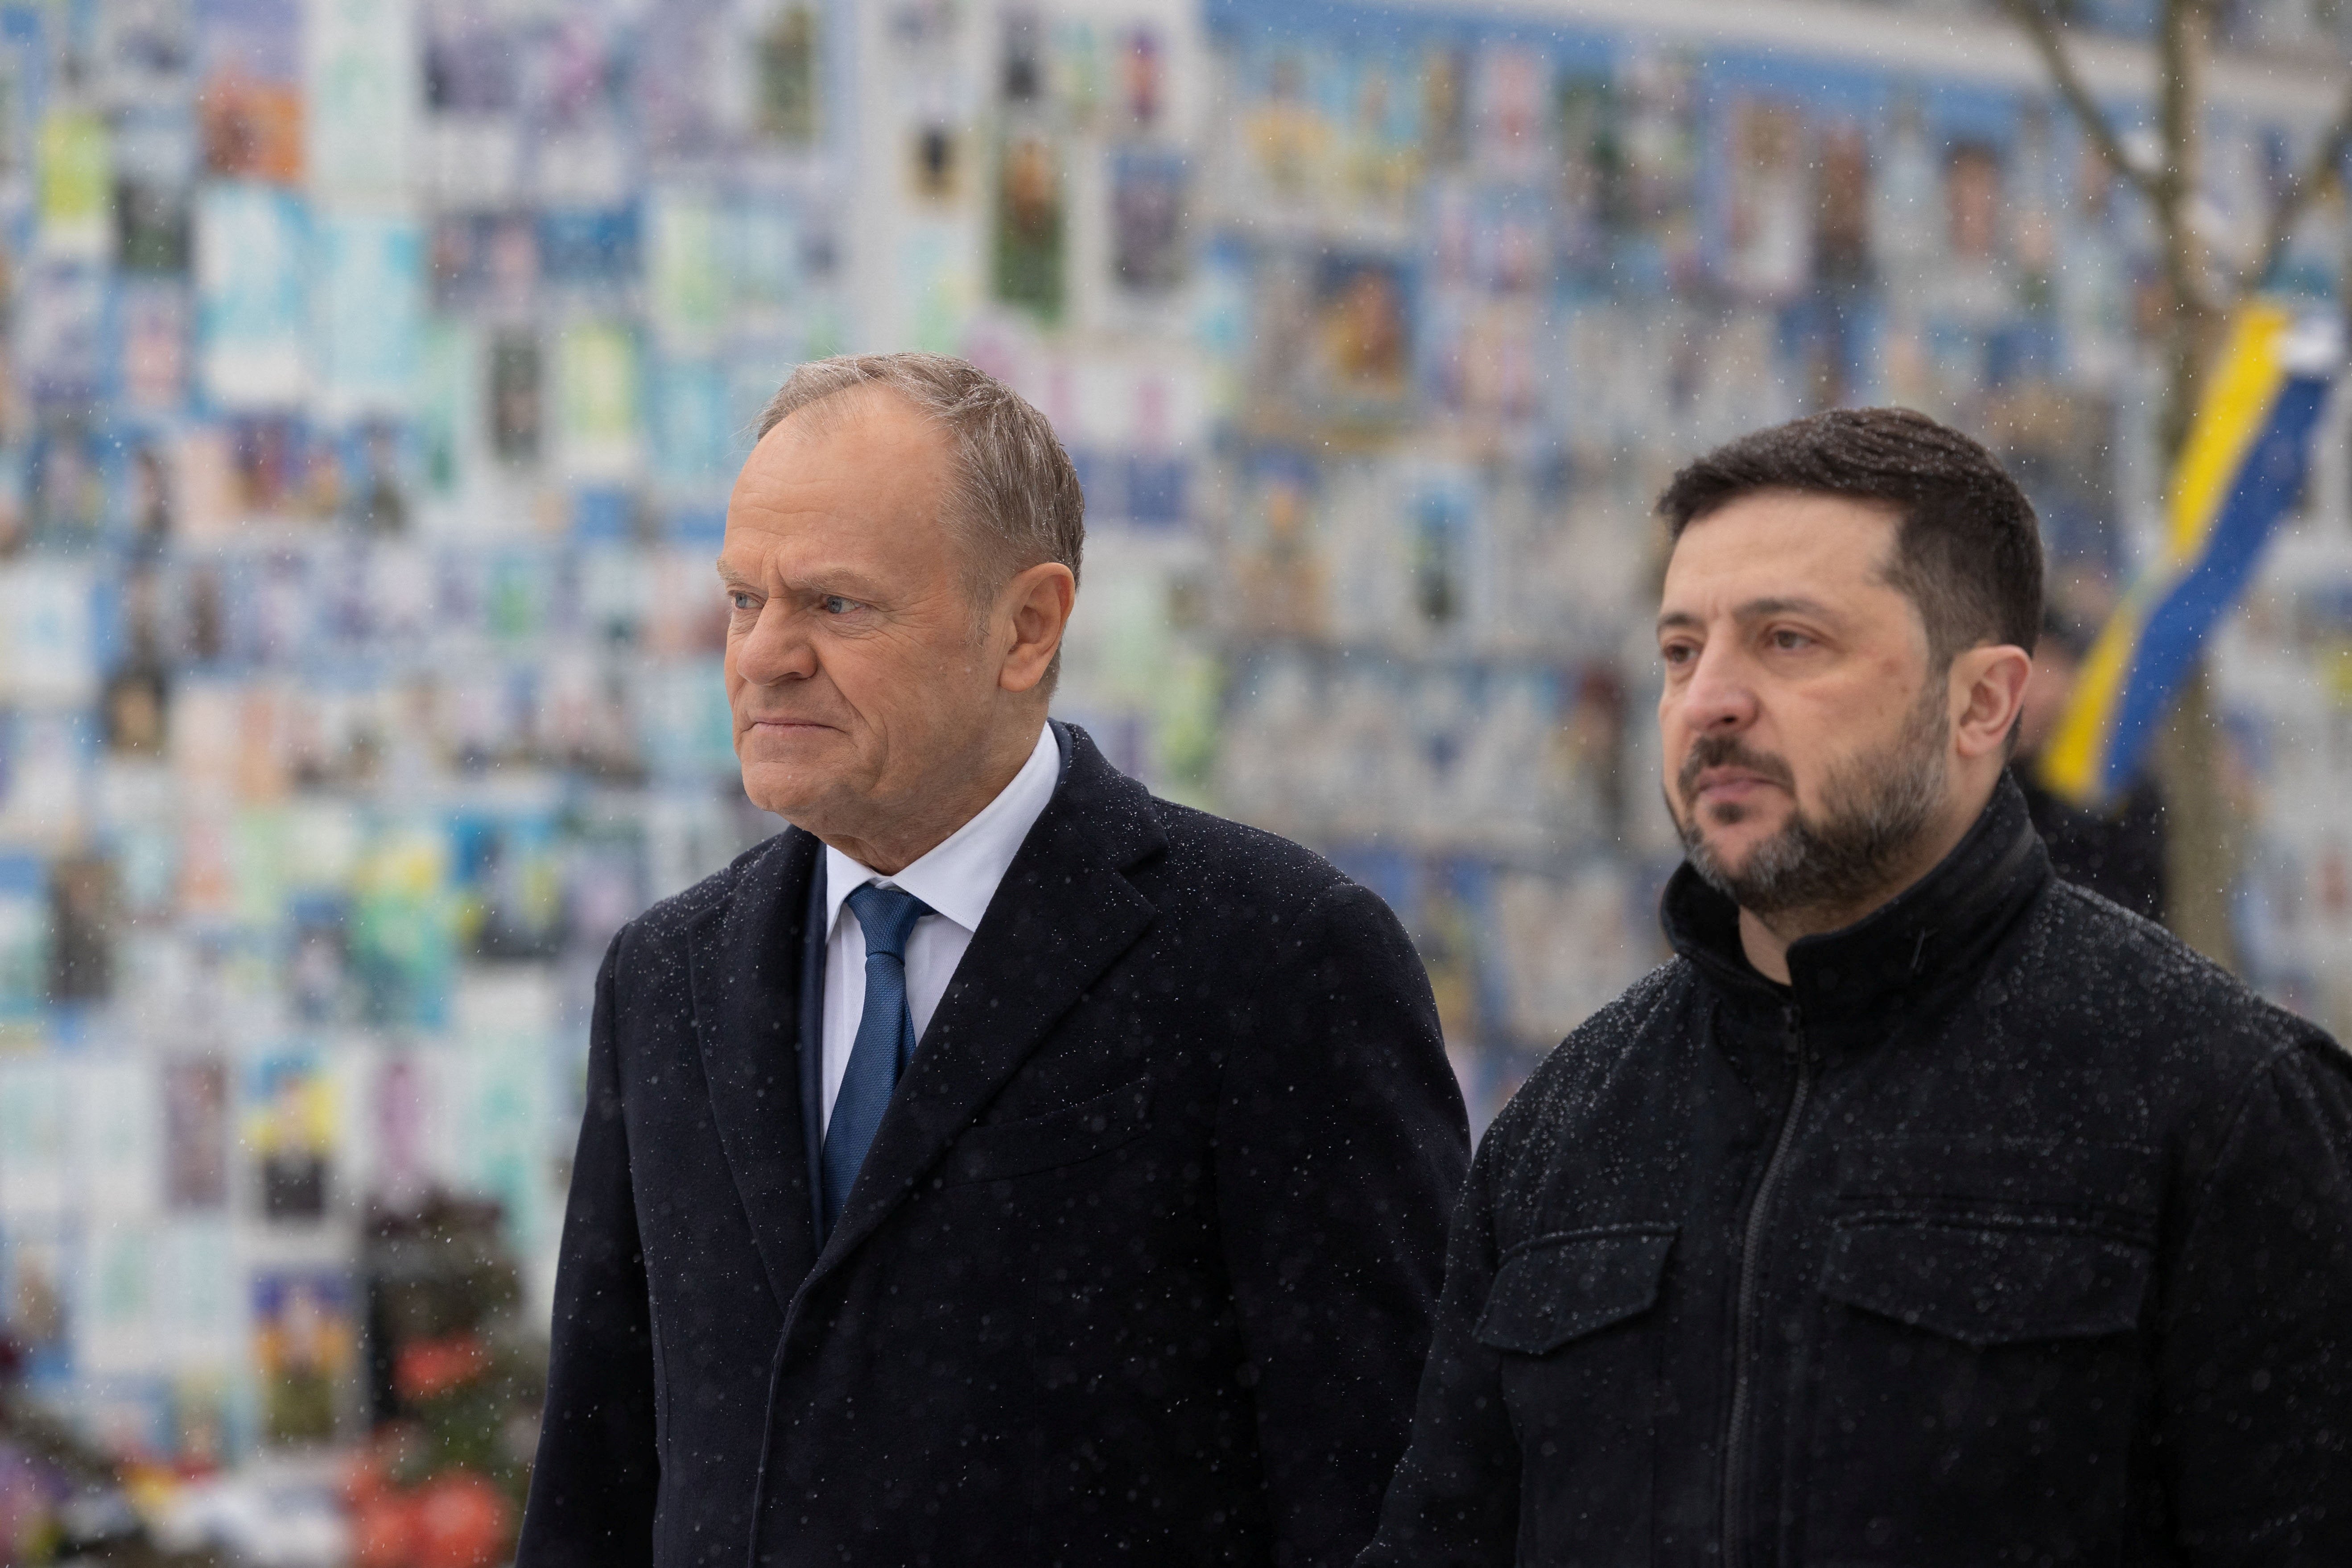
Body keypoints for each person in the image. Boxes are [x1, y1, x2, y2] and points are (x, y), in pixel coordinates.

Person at [519, 353, 1469, 1567]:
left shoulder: (1277, 959)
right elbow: (597, 1483)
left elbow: (1391, 1491)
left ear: (1026, 627)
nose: (764, 656)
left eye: (835, 605)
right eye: (745, 600)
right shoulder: (667, 978)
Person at [1360, 408, 2352, 1567]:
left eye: (1788, 641)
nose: (1711, 700)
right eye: (1682, 650)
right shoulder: (1564, 1131)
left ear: (1983, 702)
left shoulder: (2221, 1104)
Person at [2013, 607, 2168, 923]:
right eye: (2024, 669)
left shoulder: (2114, 787)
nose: (2034, 693)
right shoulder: (1970, 783)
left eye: (2049, 669)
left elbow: (2138, 909)